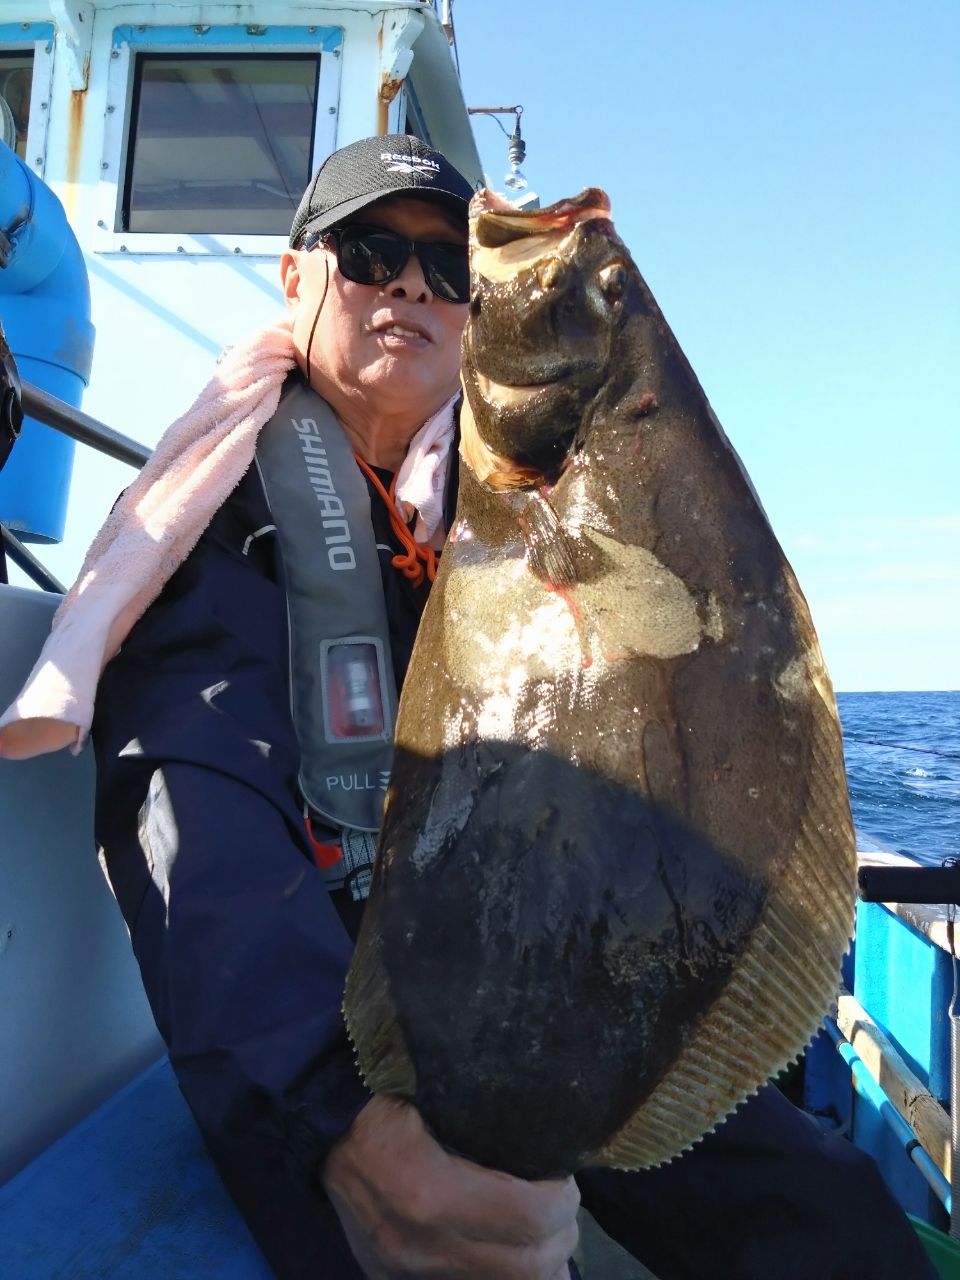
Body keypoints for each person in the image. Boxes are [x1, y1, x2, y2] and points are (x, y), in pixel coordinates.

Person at [8, 135, 935, 1279]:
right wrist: (335, 1120)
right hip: (350, 1020)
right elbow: (199, 810)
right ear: (295, 279)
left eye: (449, 268)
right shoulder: (210, 527)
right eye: (369, 250)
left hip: (575, 974)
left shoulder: (502, 501)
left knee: (830, 1218)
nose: (411, 284)